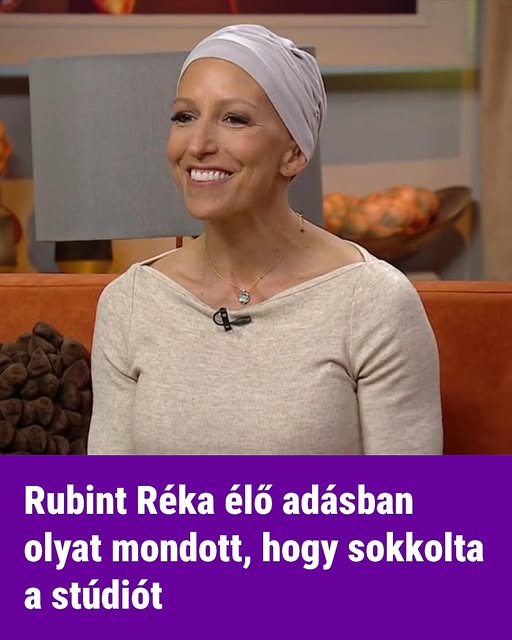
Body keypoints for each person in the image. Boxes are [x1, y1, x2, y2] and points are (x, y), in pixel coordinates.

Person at [87, 24, 443, 455]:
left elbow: (410, 494)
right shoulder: (129, 304)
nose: (198, 144)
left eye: (234, 119)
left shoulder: (374, 303)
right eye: (184, 116)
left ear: (294, 153)